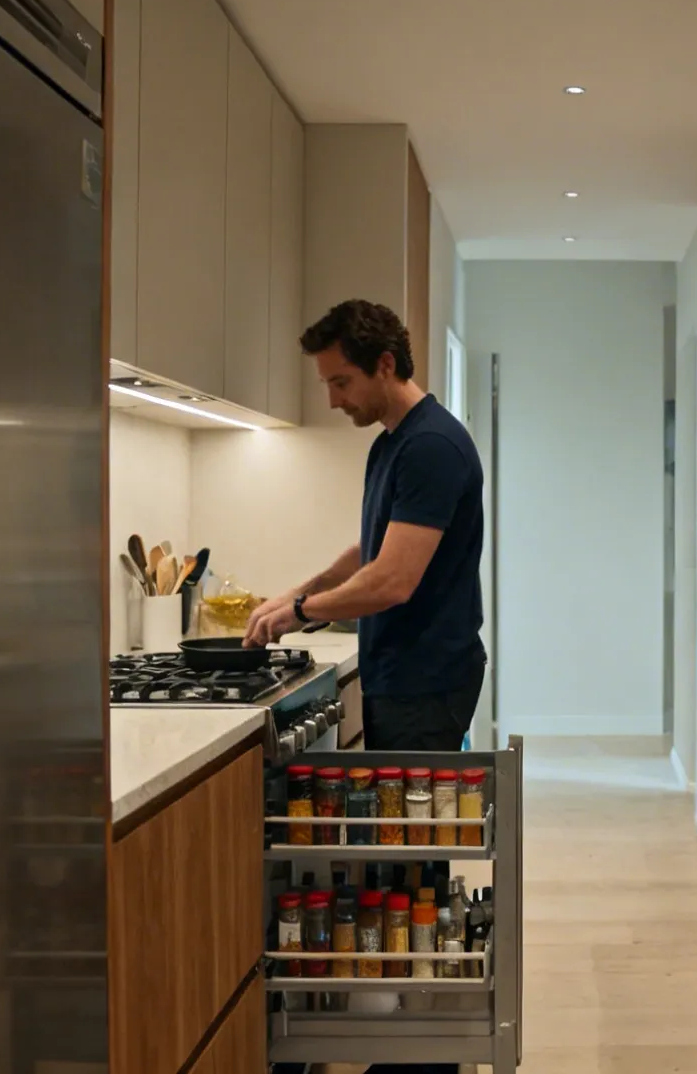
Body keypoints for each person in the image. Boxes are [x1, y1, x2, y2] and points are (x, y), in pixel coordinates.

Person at [246, 299, 482, 1074]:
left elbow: (393, 580)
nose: (332, 398)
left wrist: (301, 612)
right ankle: (408, 1042)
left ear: (385, 365)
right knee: (404, 859)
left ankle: (423, 1056)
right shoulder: (393, 443)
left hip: (426, 678)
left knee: (415, 864)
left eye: (341, 381)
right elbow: (371, 550)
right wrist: (300, 591)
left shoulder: (433, 446)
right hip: (400, 673)